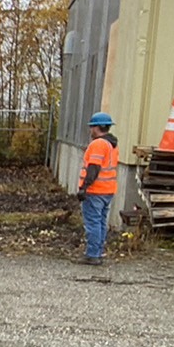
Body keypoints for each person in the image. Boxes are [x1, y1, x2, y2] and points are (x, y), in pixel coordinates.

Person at [74, 111, 119, 266]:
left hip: (95, 191)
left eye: (92, 127)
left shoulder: (98, 144)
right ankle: (96, 253)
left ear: (97, 127)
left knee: (93, 222)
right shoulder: (111, 145)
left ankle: (92, 255)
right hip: (107, 190)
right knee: (100, 222)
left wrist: (83, 188)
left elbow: (93, 168)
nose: (90, 130)